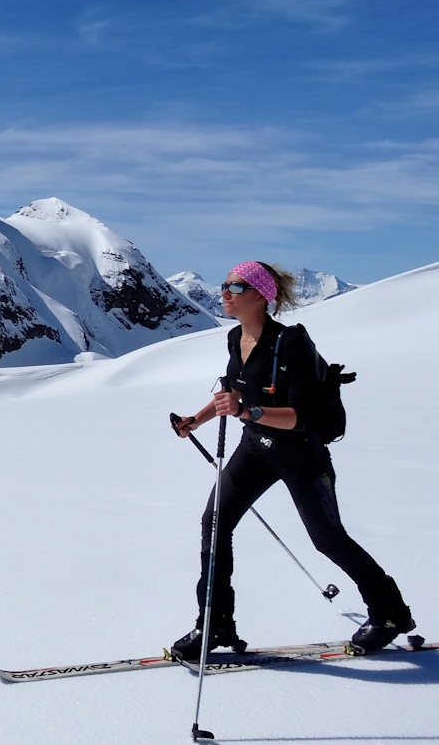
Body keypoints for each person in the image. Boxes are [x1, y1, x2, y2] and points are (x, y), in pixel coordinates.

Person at [169, 260, 414, 658]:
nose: (224, 293)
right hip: (256, 449)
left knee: (328, 540)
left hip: (300, 455)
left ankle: (390, 612)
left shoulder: (291, 344)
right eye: (224, 285)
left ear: (260, 295)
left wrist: (249, 412)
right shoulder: (236, 339)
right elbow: (231, 393)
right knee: (214, 524)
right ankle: (214, 624)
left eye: (234, 286)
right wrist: (195, 420)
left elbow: (300, 417)